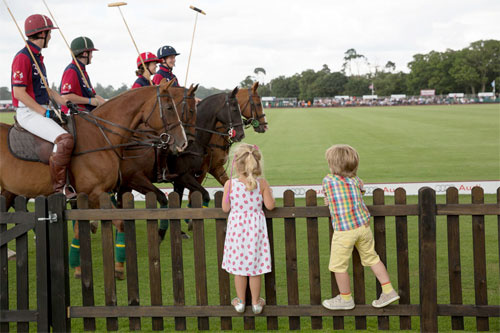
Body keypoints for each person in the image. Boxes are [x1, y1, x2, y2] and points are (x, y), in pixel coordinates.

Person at [321, 144, 400, 310]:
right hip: (363, 227)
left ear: (333, 165)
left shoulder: (328, 180)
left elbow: (329, 195)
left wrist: (328, 200)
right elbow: (359, 191)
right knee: (372, 258)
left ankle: (346, 298)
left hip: (344, 230)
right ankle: (388, 290)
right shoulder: (357, 181)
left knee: (338, 265)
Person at [11, 14, 75, 199]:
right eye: (49, 33)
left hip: (40, 109)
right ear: (43, 33)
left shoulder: (37, 57)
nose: (51, 37)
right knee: (65, 140)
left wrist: (66, 102)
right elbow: (19, 93)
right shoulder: (23, 57)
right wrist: (44, 112)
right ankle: (60, 188)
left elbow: (48, 90)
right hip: (28, 113)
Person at [221, 143, 275, 314]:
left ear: (236, 164)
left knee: (239, 269)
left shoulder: (230, 184)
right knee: (254, 268)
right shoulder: (262, 183)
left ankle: (240, 303)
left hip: (237, 231)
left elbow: (225, 208)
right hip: (255, 231)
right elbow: (270, 206)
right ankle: (256, 303)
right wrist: (269, 191)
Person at [60, 36, 105, 113]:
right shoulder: (71, 70)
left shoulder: (82, 71)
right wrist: (89, 101)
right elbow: (66, 97)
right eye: (91, 52)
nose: (92, 56)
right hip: (74, 115)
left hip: (85, 114)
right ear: (85, 54)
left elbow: (93, 95)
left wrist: (108, 104)